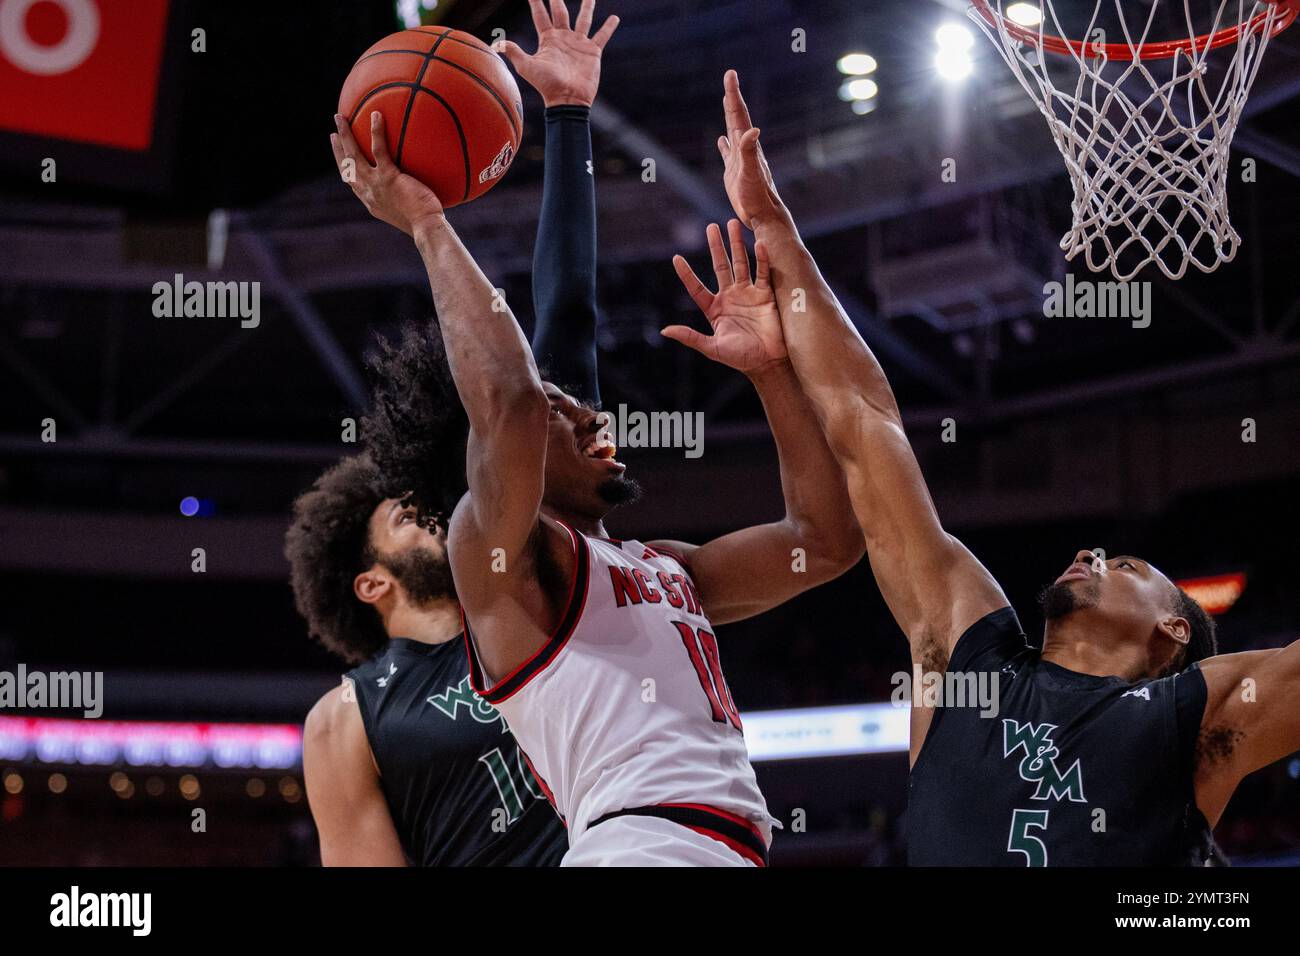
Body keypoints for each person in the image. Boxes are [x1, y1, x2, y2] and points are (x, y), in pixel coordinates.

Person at [712, 69, 1300, 866]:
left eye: (1124, 562)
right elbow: (866, 423)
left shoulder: (1198, 716)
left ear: (1173, 629)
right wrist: (777, 230)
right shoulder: (963, 649)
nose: (1091, 553)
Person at [332, 67, 864, 868]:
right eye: (559, 408)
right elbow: (508, 398)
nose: (587, 410)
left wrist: (771, 375)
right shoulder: (499, 558)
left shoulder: (664, 568)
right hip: (639, 847)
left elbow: (826, 540)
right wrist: (428, 223)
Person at [289, 0, 617, 866]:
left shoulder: (537, 576)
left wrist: (570, 118)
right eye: (404, 515)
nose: (435, 510)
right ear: (370, 585)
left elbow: (565, 331)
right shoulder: (349, 717)